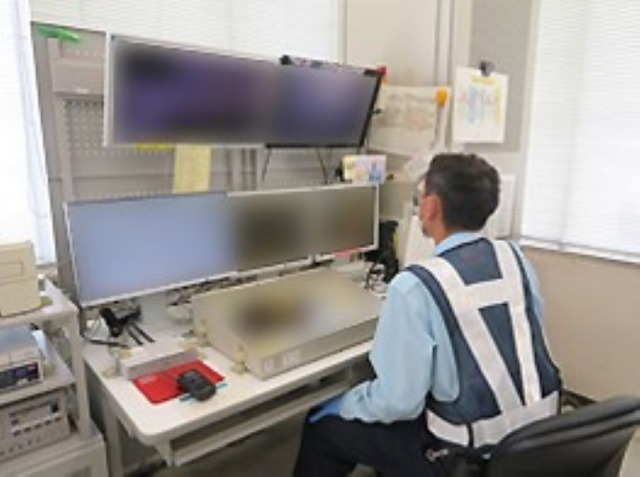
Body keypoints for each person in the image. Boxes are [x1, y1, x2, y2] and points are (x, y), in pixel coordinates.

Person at [293, 153, 561, 477]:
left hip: (462, 455)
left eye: (420, 195)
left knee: (323, 427)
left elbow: (399, 402)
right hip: (537, 438)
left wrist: (345, 403)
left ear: (431, 206)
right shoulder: (516, 259)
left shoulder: (414, 286)